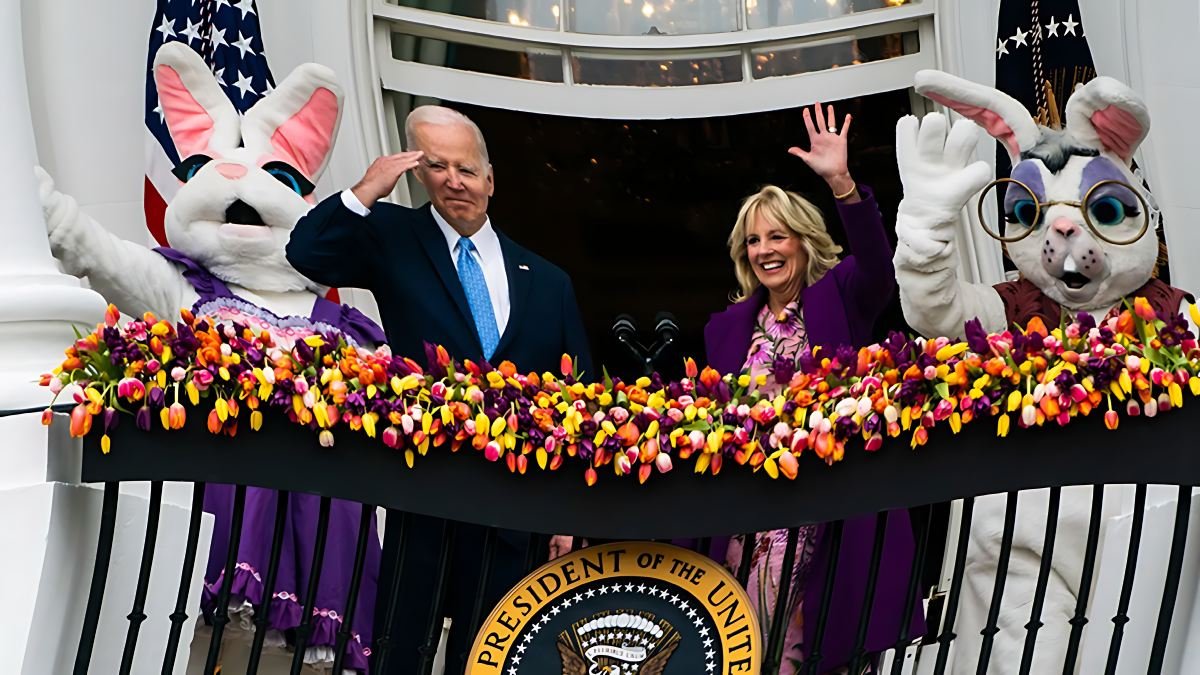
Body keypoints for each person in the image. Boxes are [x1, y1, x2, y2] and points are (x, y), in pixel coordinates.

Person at [286, 105, 593, 672]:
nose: (455, 180)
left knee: (496, 654)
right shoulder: (395, 236)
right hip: (424, 486)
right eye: (437, 166)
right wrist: (367, 189)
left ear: (491, 180)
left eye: (467, 169)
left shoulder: (547, 280)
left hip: (514, 501)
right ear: (417, 174)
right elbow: (306, 254)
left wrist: (567, 513)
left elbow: (580, 397)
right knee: (404, 647)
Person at [703, 103, 924, 674]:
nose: (766, 250)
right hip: (749, 520)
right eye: (754, 241)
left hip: (831, 515)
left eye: (778, 236)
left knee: (824, 651)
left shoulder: (841, 295)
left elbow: (879, 265)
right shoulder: (725, 329)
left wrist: (842, 183)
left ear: (803, 242)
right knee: (744, 649)